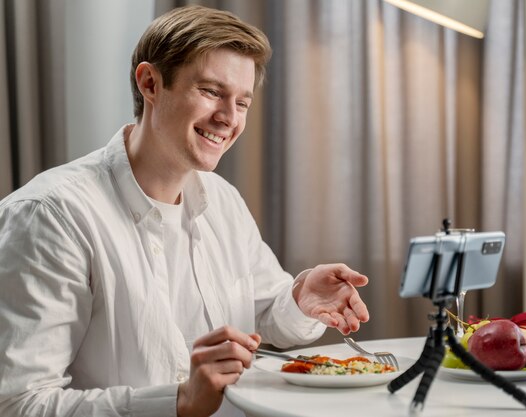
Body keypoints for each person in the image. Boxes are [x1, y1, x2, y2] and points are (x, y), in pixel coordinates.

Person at [0, 6, 370, 417]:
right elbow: (18, 403)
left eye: (242, 102)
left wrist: (300, 298)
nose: (228, 118)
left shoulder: (223, 201)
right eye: (212, 91)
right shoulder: (51, 216)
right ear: (150, 83)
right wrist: (178, 402)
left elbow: (265, 315)